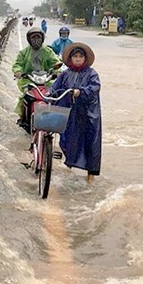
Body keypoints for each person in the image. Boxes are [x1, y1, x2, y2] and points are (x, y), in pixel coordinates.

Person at [50, 42, 101, 183]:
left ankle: (90, 176)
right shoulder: (65, 74)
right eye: (75, 56)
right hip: (69, 113)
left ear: (85, 59)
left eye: (80, 56)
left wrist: (81, 91)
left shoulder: (91, 73)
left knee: (90, 143)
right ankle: (69, 167)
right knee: (67, 141)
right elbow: (55, 89)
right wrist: (48, 96)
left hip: (87, 115)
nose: (78, 59)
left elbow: (95, 88)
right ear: (70, 59)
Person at [12, 26, 62, 129]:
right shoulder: (24, 52)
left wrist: (57, 72)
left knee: (54, 95)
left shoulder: (48, 51)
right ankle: (23, 117)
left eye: (38, 37)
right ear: (29, 39)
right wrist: (18, 71)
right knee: (25, 97)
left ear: (42, 39)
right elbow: (18, 64)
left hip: (46, 80)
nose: (36, 40)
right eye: (33, 38)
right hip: (28, 79)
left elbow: (56, 62)